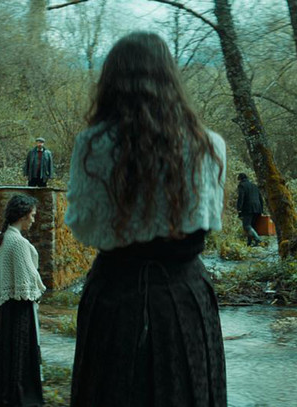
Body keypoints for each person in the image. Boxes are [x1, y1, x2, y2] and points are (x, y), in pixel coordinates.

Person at [65, 32, 227, 407]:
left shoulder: (92, 146)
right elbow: (209, 220)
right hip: (184, 300)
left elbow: (82, 226)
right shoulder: (208, 146)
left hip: (114, 298)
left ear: (111, 82)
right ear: (171, 79)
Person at [0, 194, 46, 407]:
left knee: (5, 354)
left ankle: (3, 397)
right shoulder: (18, 243)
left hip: (3, 309)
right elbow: (30, 281)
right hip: (19, 309)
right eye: (32, 215)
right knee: (20, 354)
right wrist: (39, 288)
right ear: (23, 215)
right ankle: (20, 399)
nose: (33, 219)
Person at [236, 173, 264, 246]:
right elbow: (260, 198)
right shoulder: (254, 185)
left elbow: (241, 198)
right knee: (252, 226)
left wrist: (239, 209)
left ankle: (258, 240)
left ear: (240, 179)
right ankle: (249, 243)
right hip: (257, 208)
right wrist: (261, 209)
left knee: (246, 226)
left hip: (248, 208)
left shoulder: (242, 185)